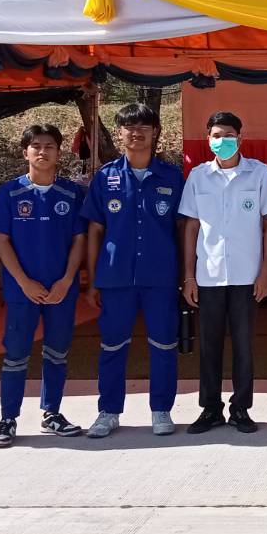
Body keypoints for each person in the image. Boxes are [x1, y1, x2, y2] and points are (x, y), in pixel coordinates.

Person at [80, 102, 186, 439]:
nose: (136, 133)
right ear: (120, 133)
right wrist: (92, 279)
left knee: (164, 344)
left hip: (161, 277)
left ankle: (161, 410)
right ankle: (108, 411)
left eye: (143, 127)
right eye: (129, 127)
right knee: (112, 345)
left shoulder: (172, 177)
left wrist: (186, 275)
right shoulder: (105, 177)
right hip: (115, 277)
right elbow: (95, 230)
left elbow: (183, 229)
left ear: (155, 132)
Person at [179, 111, 267, 435]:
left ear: (240, 137)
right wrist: (189, 276)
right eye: (216, 135)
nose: (222, 141)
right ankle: (210, 409)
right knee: (209, 346)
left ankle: (241, 409)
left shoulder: (259, 174)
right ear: (208, 139)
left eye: (228, 135)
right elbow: (191, 226)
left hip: (246, 276)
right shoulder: (198, 176)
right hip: (208, 276)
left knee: (243, 346)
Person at [0, 124, 88, 447]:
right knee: (16, 354)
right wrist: (23, 281)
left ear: (59, 152)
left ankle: (52, 413)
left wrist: (67, 280)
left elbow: (80, 240)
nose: (43, 152)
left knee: (57, 353)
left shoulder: (72, 193)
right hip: (22, 291)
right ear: (25, 152)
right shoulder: (10, 193)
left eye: (49, 146)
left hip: (61, 290)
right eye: (36, 146)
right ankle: (7, 419)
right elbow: (1, 240)